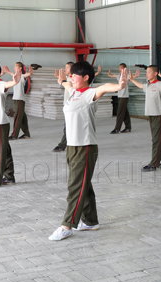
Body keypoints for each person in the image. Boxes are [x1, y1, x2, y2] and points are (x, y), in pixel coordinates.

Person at [48, 61, 127, 241]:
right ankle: (90, 221)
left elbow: (105, 87)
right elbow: (66, 83)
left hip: (85, 147)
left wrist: (120, 86)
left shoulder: (90, 93)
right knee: (84, 184)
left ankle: (67, 225)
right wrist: (61, 81)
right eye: (71, 74)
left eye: (75, 75)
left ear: (85, 78)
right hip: (72, 146)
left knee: (75, 186)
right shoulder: (74, 91)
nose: (71, 78)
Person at [129, 65, 161, 172]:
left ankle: (154, 164)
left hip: (159, 116)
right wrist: (132, 79)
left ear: (155, 73)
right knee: (159, 140)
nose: (147, 74)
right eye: (147, 72)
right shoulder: (148, 85)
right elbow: (140, 86)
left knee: (156, 141)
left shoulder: (159, 84)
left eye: (149, 72)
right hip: (151, 116)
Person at [108, 63, 139, 134]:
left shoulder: (127, 76)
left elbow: (133, 77)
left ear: (125, 69)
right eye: (119, 68)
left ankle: (117, 129)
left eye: (121, 68)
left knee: (120, 113)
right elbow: (112, 75)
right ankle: (128, 128)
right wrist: (109, 74)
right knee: (125, 113)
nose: (119, 69)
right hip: (120, 96)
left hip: (124, 97)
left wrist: (135, 75)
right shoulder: (119, 76)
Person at [6, 63, 33, 140]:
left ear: (20, 68)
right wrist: (7, 71)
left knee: (17, 117)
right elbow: (12, 73)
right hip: (16, 99)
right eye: (14, 66)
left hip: (20, 99)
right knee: (22, 117)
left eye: (16, 66)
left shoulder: (22, 76)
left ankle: (14, 135)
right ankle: (26, 134)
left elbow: (26, 75)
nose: (14, 67)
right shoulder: (15, 75)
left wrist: (30, 73)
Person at [53, 61, 74, 152]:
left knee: (68, 127)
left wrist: (61, 79)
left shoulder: (73, 79)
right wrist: (58, 77)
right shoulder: (69, 78)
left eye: (67, 67)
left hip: (71, 107)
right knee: (68, 127)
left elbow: (66, 82)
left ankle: (62, 145)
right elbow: (63, 81)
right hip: (67, 106)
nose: (65, 69)